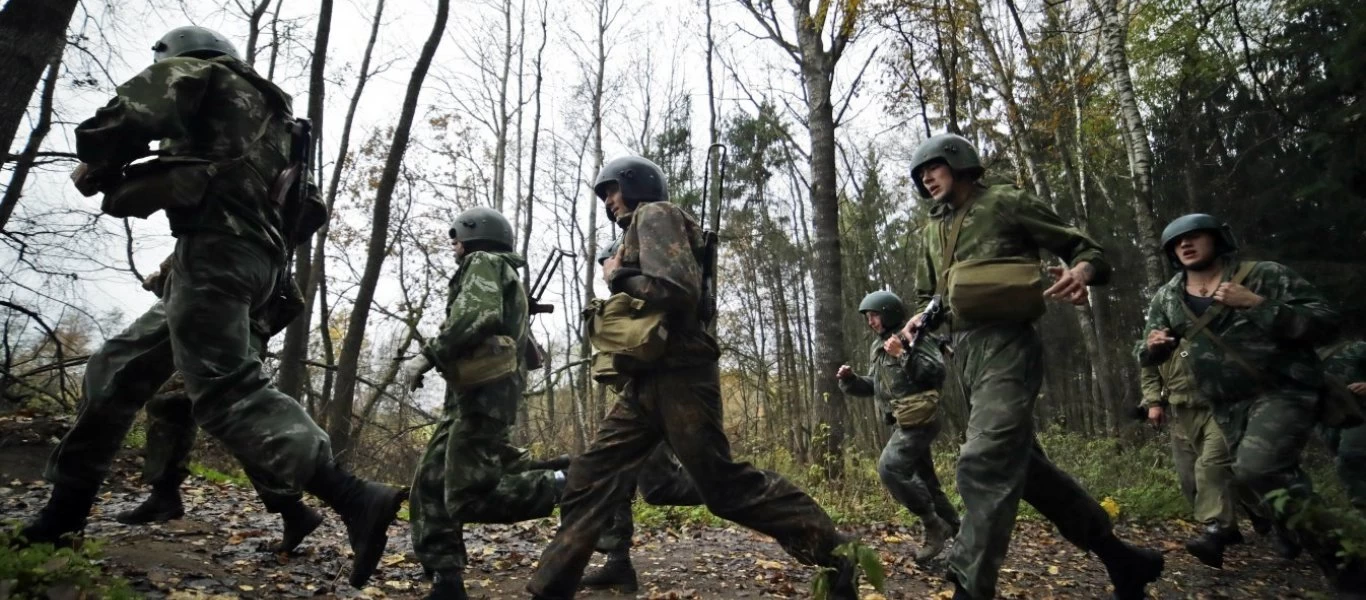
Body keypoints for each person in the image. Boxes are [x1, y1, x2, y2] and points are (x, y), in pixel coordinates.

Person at [17, 26, 405, 589]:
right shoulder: (281, 124)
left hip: (216, 255)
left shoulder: (201, 72)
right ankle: (64, 514)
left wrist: (99, 158)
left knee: (226, 391)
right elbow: (307, 209)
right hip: (253, 264)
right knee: (117, 367)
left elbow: (127, 116)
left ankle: (353, 497)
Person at [527, 155, 859, 600]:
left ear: (636, 184)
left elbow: (678, 289)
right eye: (603, 195)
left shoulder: (655, 214)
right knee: (590, 475)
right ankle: (550, 589)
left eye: (612, 190)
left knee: (724, 488)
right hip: (647, 378)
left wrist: (618, 276)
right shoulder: (636, 227)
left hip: (681, 374)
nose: (608, 201)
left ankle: (838, 553)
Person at [902, 133, 1163, 600]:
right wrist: (919, 319)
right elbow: (930, 297)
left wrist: (1081, 272)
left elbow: (1088, 251)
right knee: (1026, 470)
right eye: (920, 174)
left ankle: (969, 588)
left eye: (933, 167)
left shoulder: (1006, 202)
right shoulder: (931, 230)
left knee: (984, 461)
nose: (927, 178)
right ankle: (1123, 560)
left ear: (960, 164)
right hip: (964, 355)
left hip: (1008, 345)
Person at [1137, 213, 1359, 592]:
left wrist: (1257, 304)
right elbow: (1145, 351)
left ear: (1217, 239)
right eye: (1176, 242)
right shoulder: (1169, 297)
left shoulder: (1263, 276)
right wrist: (1154, 347)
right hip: (1225, 405)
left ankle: (1347, 559)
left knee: (1258, 468)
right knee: (1262, 481)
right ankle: (1331, 552)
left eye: (1194, 236)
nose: (1185, 244)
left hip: (1281, 390)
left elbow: (1325, 322)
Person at [400, 207, 566, 600]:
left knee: (467, 495)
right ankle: (447, 580)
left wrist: (428, 356)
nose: (453, 245)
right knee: (431, 482)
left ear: (473, 235)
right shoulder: (502, 270)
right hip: (472, 395)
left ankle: (565, 484)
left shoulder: (483, 262)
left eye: (456, 236)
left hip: (482, 397)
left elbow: (476, 315)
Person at [116, 258, 323, 555]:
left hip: (222, 339)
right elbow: (294, 302)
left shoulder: (214, 239)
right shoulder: (270, 252)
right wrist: (260, 329)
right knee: (175, 405)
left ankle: (296, 508)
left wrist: (158, 283)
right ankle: (164, 495)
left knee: (226, 417)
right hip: (227, 338)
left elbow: (180, 281)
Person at [578, 239, 703, 594]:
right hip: (637, 400)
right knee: (619, 475)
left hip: (659, 398)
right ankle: (617, 562)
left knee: (660, 486)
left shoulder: (646, 294)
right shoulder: (626, 299)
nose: (605, 271)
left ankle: (735, 489)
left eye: (609, 262)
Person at [837, 290, 959, 562]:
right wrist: (850, 380)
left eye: (874, 315)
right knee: (926, 482)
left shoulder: (915, 336)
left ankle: (934, 525)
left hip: (921, 418)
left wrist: (903, 353)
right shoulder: (878, 346)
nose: (870, 322)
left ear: (889, 314)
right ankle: (962, 536)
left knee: (890, 467)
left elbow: (936, 372)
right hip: (903, 420)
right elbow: (877, 385)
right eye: (868, 317)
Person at [1317, 339, 1366, 513]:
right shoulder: (1299, 355)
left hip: (1361, 414)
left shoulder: (1358, 348)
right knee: (1342, 461)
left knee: (1351, 456)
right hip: (1328, 420)